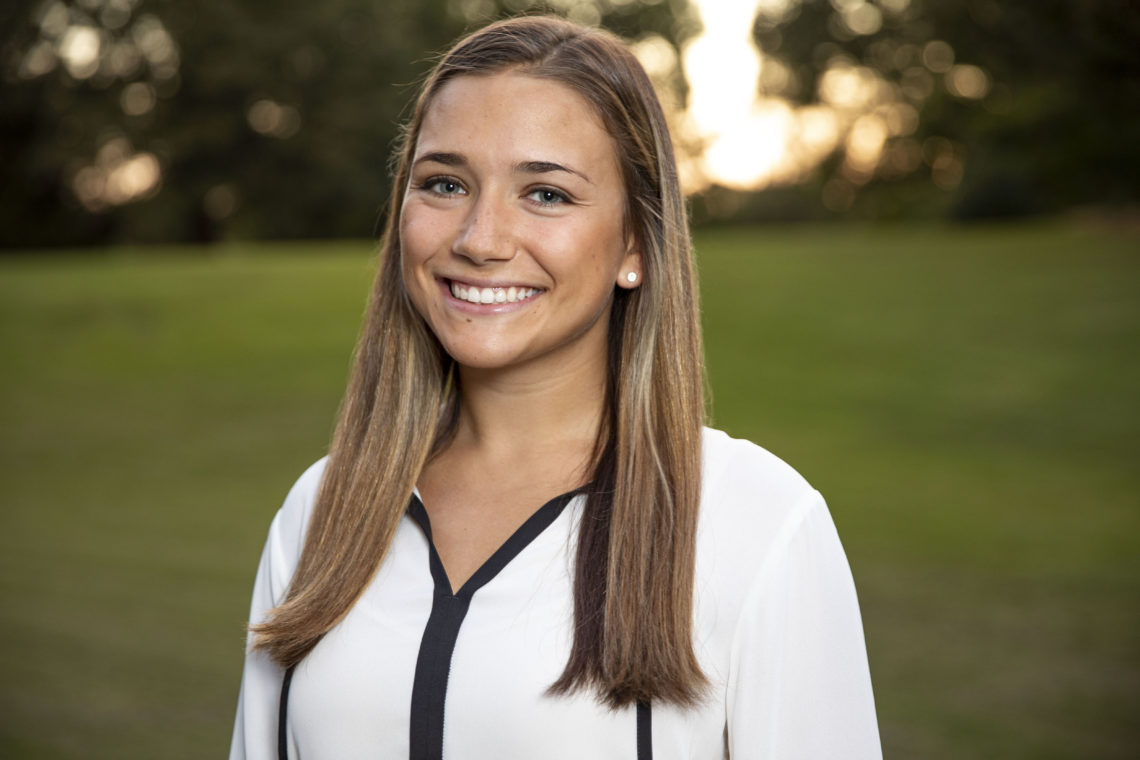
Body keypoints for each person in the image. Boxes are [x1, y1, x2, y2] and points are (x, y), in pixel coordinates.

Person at [229, 14, 881, 760]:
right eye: (445, 183)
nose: (479, 239)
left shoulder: (757, 523)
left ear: (635, 243)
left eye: (545, 195)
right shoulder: (322, 511)